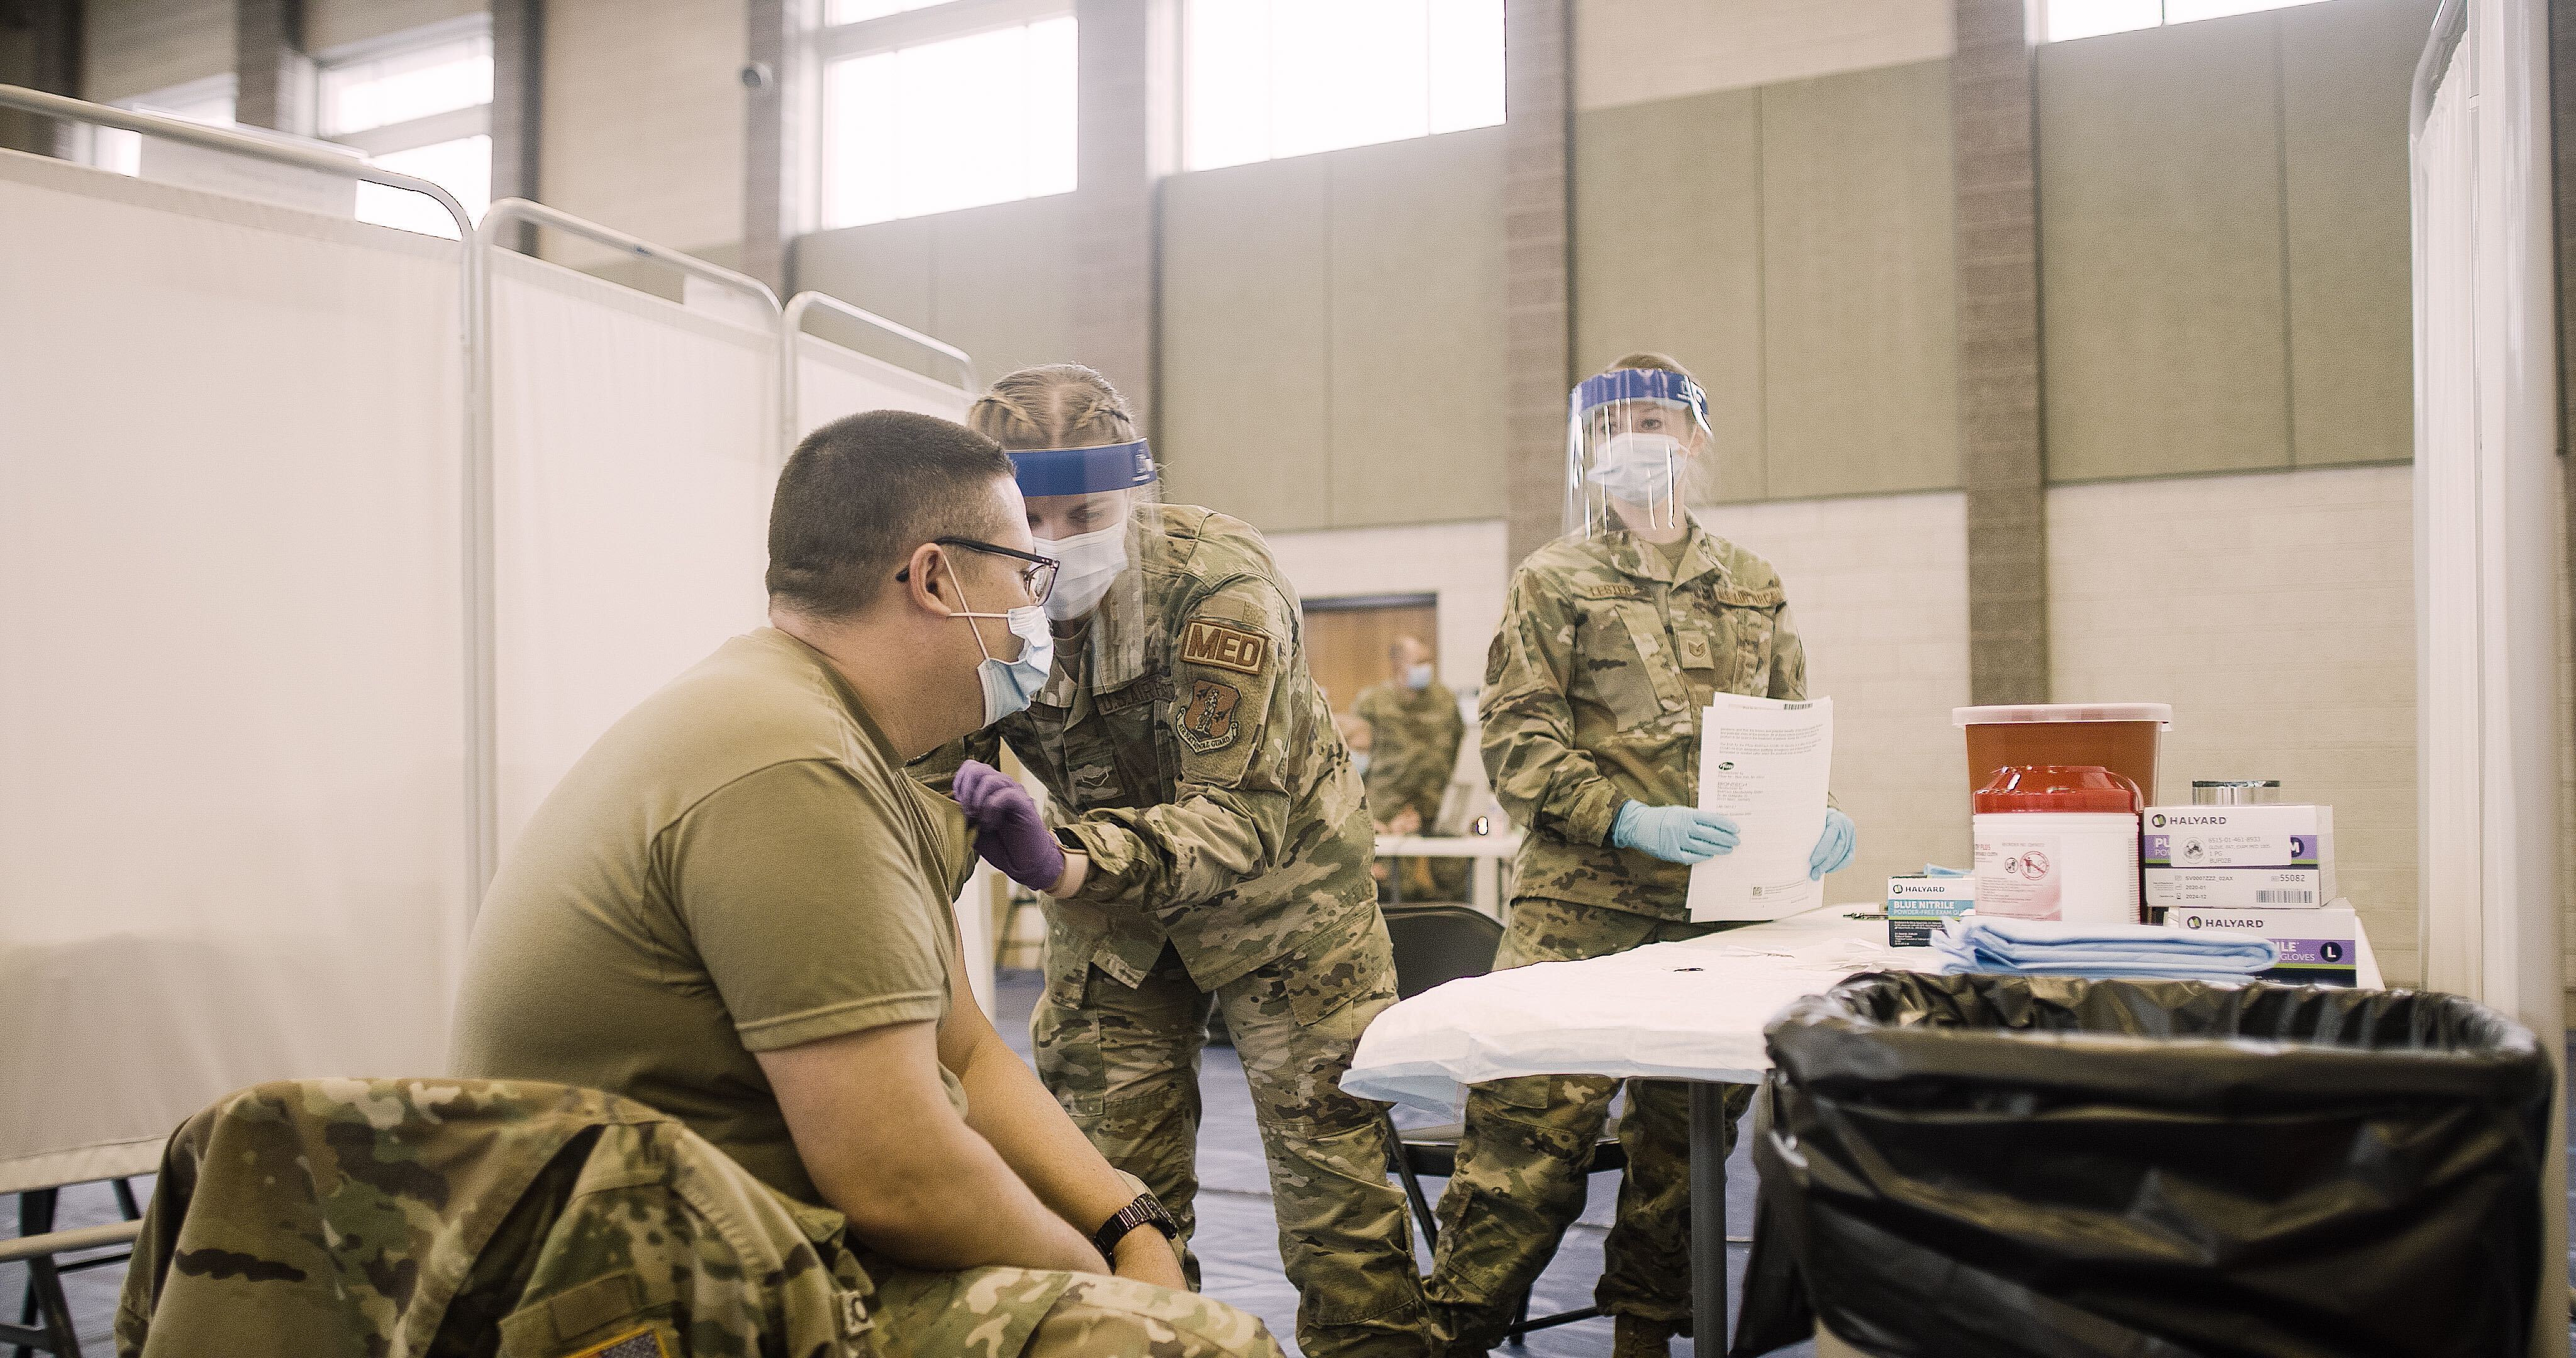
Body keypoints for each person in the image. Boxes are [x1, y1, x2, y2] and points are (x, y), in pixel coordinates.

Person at [448, 410, 1280, 1358]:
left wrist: (1131, 1224)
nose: (1037, 608)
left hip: (726, 1244)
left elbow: (964, 1052)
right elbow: (899, 1179)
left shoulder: (822, 734)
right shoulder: (791, 766)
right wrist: (1109, 1291)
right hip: (647, 1294)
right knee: (1203, 1348)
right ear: (934, 578)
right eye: (1022, 572)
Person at [915, 365, 1429, 1358]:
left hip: (1284, 909)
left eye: (1089, 511)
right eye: (1033, 514)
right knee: (1107, 1200)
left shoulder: (1218, 586)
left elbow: (1235, 823)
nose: (1059, 541)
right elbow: (940, 770)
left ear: (1136, 495)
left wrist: (1059, 862)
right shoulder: (976, 591)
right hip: (1115, 917)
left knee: (1343, 1225)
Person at [1423, 354, 1857, 1358]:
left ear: (1696, 440)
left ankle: (1648, 1337)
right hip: (1581, 909)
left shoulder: (1752, 585)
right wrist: (1623, 817)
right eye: (1612, 423)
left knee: (1684, 1160)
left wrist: (1820, 808)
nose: (1635, 439)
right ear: (1587, 448)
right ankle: (1451, 1336)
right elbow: (1516, 741)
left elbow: (1786, 725)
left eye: (1655, 420)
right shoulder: (1556, 578)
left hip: (1722, 912)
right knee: (1525, 1147)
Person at [1353, 635, 1467, 900]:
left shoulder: (1445, 701)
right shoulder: (1372, 703)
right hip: (1383, 816)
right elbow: (1354, 756)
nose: (1426, 668)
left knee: (1439, 892)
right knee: (1385, 895)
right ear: (1397, 665)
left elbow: (1455, 744)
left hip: (1431, 812)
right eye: (1418, 662)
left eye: (1428, 661)